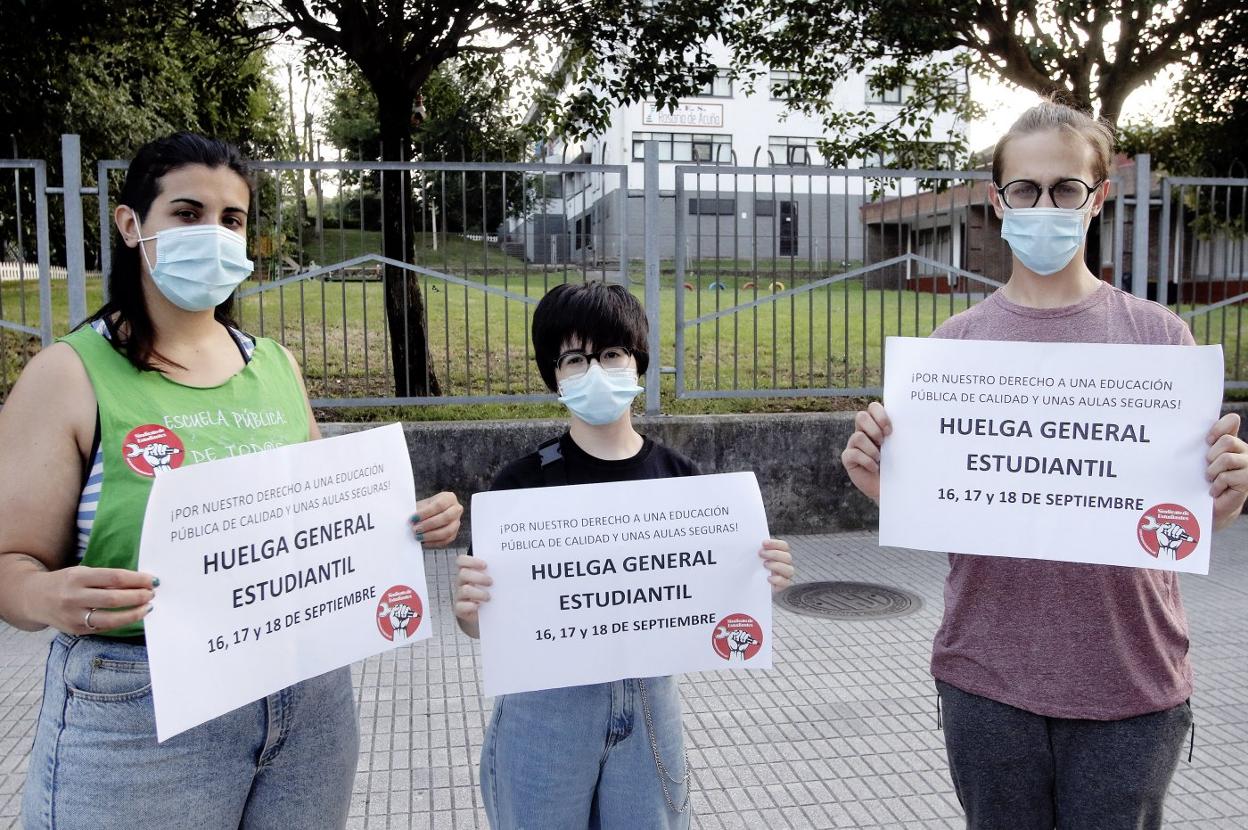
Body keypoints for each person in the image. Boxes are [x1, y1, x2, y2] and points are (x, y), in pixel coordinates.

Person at [0, 132, 463, 829]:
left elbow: (315, 518)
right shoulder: (68, 375)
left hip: (305, 700)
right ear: (131, 225)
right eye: (187, 214)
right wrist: (43, 592)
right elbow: (10, 564)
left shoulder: (274, 365)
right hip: (141, 710)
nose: (212, 235)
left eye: (231, 220)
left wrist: (407, 521)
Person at [840, 100, 1248, 829]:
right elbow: (961, 515)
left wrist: (1224, 497)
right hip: (987, 680)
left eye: (1066, 188)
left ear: (1100, 197)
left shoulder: (1160, 340)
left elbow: (1188, 522)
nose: (1045, 205)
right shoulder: (954, 349)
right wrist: (887, 487)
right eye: (1025, 190)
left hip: (1131, 683)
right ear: (997, 202)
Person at [453, 281, 795, 829]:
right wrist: (469, 611)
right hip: (544, 711)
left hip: (648, 705)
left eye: (611, 354)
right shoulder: (518, 486)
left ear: (637, 364)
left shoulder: (681, 480)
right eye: (573, 358)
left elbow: (712, 591)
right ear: (553, 377)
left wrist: (759, 577)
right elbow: (480, 627)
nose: (595, 370)